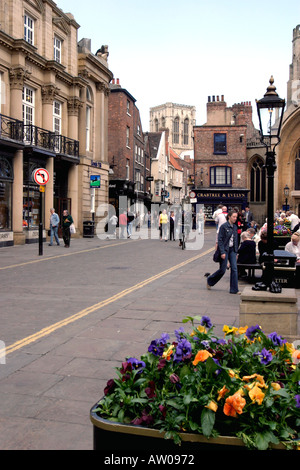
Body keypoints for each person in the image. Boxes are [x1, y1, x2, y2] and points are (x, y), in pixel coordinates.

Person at [206, 209, 239, 294]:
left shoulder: (235, 227)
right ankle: (210, 280)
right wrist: (223, 252)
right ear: (229, 217)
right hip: (225, 250)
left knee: (234, 269)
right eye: (234, 217)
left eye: (236, 217)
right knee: (223, 270)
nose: (235, 218)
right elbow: (220, 240)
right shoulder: (224, 226)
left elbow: (236, 240)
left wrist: (236, 251)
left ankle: (234, 289)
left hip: (232, 250)